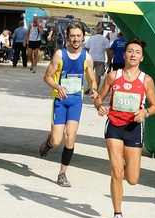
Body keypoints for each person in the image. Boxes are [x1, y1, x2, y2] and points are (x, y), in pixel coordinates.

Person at [90, 37, 155, 218]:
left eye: (137, 52)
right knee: (116, 172)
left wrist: (145, 112)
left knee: (133, 179)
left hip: (134, 129)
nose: (133, 55)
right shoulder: (113, 76)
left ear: (142, 57)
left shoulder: (147, 80)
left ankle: (128, 163)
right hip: (114, 126)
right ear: (124, 54)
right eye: (130, 51)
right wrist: (100, 107)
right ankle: (117, 215)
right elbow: (99, 98)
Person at [38, 22, 98, 187]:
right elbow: (47, 76)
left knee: (70, 137)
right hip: (60, 101)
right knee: (57, 141)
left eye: (79, 36)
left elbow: (93, 79)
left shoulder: (87, 57)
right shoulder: (59, 54)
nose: (76, 39)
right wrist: (57, 86)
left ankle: (62, 173)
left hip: (75, 102)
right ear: (68, 36)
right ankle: (49, 143)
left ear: (83, 37)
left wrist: (93, 89)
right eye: (73, 36)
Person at [84, 25, 110, 91]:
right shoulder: (105, 40)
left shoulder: (91, 38)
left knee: (89, 73)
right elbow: (107, 50)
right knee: (98, 75)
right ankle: (95, 89)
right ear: (103, 32)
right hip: (100, 59)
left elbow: (86, 48)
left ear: (96, 31)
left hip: (91, 58)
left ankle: (89, 86)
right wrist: (109, 60)